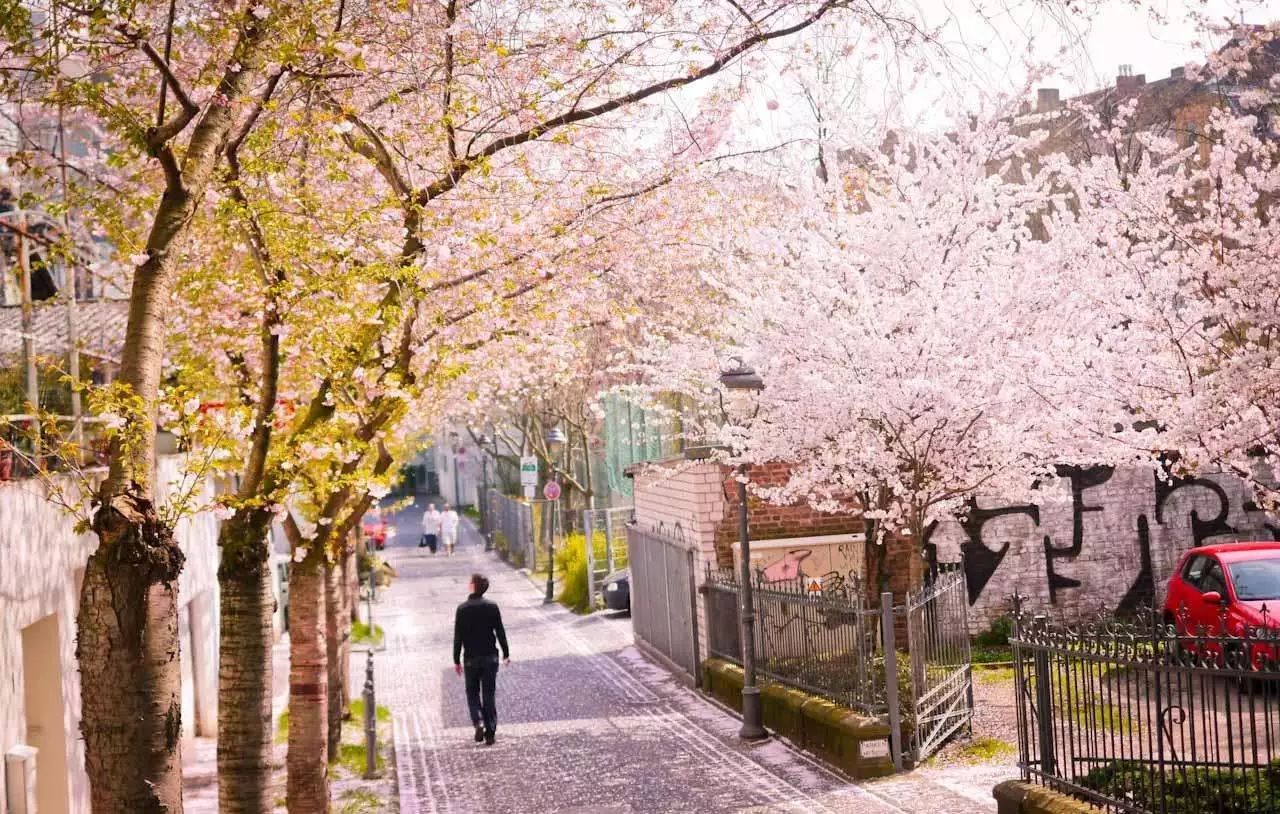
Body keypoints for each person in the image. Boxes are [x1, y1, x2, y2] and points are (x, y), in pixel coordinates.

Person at [453, 573, 509, 745]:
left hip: (471, 658)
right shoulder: (492, 607)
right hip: (490, 657)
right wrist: (506, 653)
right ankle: (490, 731)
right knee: (489, 693)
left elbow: (458, 637)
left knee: (472, 692)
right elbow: (500, 631)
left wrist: (456, 659)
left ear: (473, 586)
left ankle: (478, 721)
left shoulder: (462, 609)